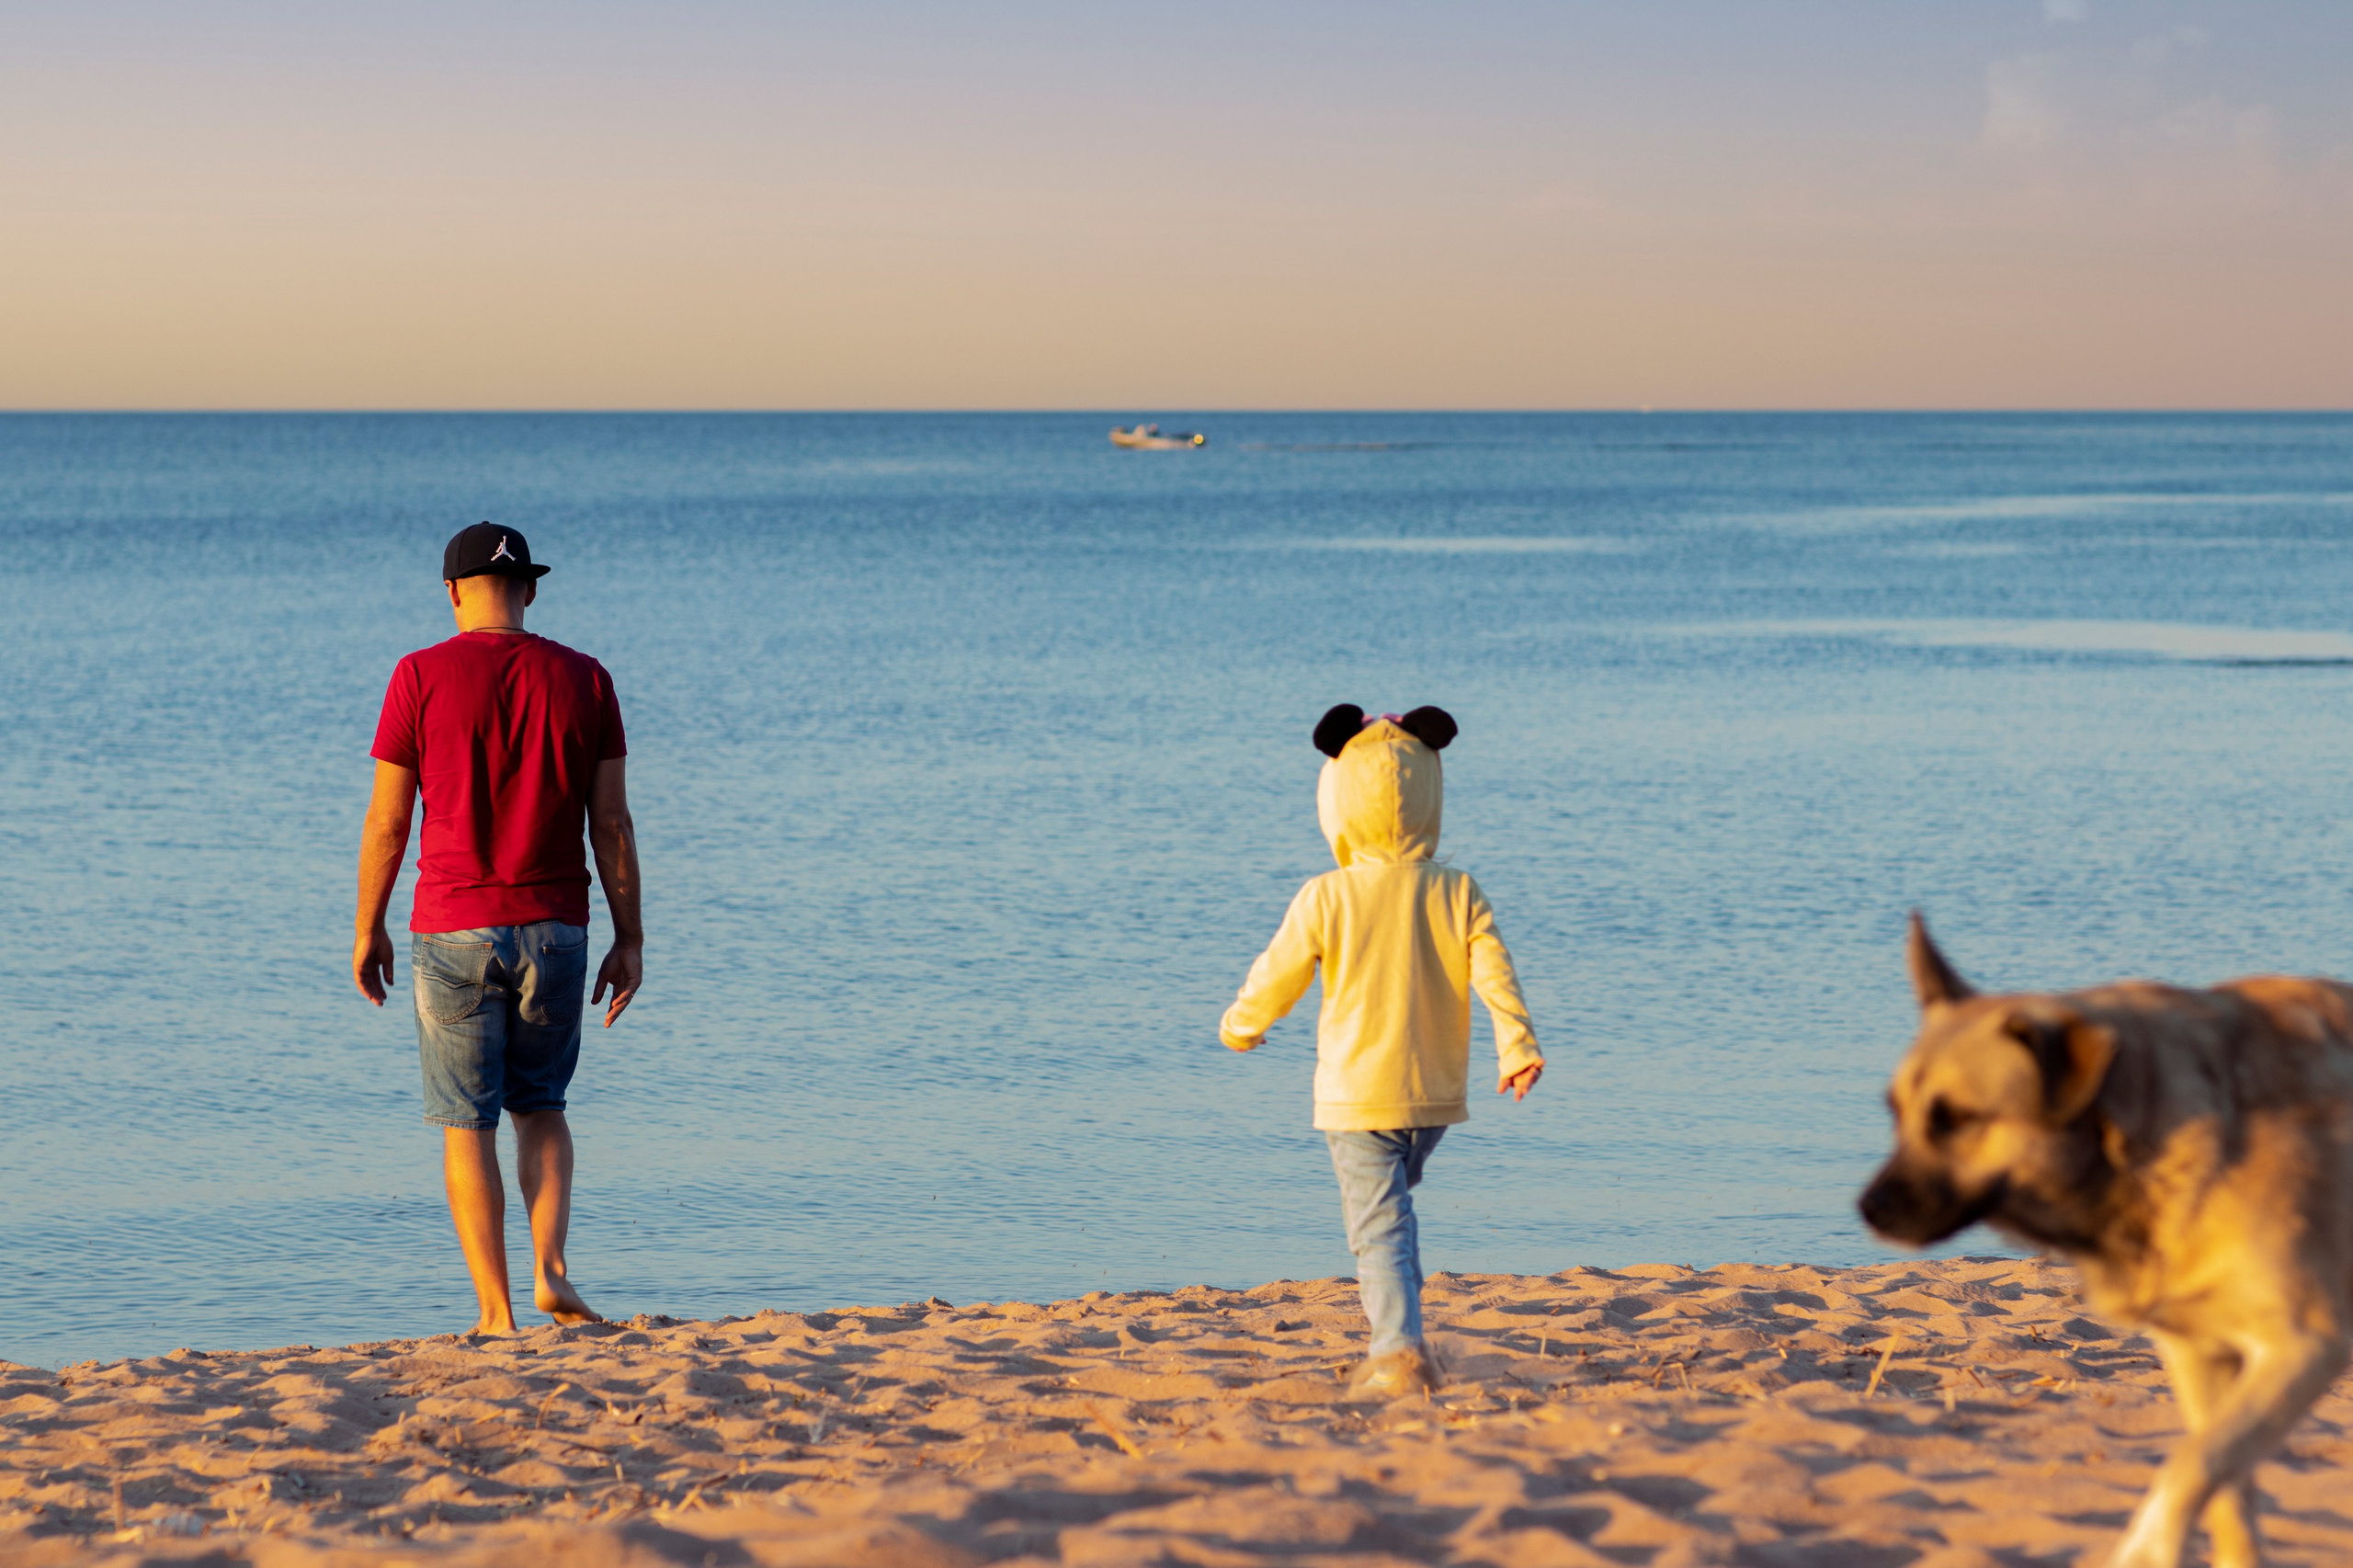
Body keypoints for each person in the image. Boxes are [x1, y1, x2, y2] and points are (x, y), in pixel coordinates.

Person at [351, 521, 642, 1335]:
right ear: (532, 589)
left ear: (452, 592)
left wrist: (367, 925)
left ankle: (495, 1313)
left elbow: (387, 822)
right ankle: (553, 1271)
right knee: (541, 1106)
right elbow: (611, 826)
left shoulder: (417, 675)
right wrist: (632, 937)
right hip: (555, 927)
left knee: (465, 1121)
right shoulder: (586, 679)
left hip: (452, 928)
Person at [1220, 704, 1541, 1395]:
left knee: (1379, 1228)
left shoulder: (1326, 895)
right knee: (1390, 1216)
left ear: (1337, 802)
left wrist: (1242, 1025)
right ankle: (1405, 1329)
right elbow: (1495, 971)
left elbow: (1278, 971)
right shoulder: (1457, 890)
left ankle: (1397, 1354)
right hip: (1431, 1101)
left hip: (1357, 1095)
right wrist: (1515, 1046)